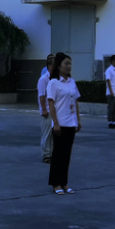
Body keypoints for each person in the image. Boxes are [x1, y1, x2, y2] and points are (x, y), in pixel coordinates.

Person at [47, 52, 81, 194]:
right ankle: (56, 184)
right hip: (60, 124)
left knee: (67, 155)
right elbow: (51, 104)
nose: (69, 66)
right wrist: (55, 123)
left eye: (70, 64)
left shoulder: (72, 82)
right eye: (66, 63)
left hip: (71, 123)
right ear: (59, 66)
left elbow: (76, 101)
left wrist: (78, 119)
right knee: (58, 155)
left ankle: (64, 182)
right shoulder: (53, 83)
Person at [38, 55, 55, 164]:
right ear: (49, 66)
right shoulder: (44, 79)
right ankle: (46, 154)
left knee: (54, 134)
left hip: (55, 110)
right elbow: (42, 95)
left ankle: (52, 153)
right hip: (47, 110)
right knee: (47, 133)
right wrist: (44, 109)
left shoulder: (56, 79)